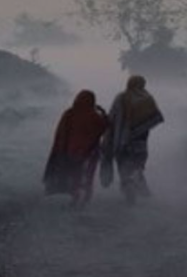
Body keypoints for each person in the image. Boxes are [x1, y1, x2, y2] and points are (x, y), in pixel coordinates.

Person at [100, 76, 165, 205]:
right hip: (140, 142)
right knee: (138, 166)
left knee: (124, 167)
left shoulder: (121, 98)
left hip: (122, 141)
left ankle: (130, 193)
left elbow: (112, 117)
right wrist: (139, 129)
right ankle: (139, 187)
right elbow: (155, 118)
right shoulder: (148, 99)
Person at [43, 90, 110, 208]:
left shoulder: (69, 113)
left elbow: (61, 132)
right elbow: (104, 128)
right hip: (90, 152)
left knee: (74, 174)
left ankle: (75, 196)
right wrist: (103, 113)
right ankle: (85, 196)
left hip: (71, 151)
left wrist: (60, 149)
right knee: (88, 174)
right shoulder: (94, 116)